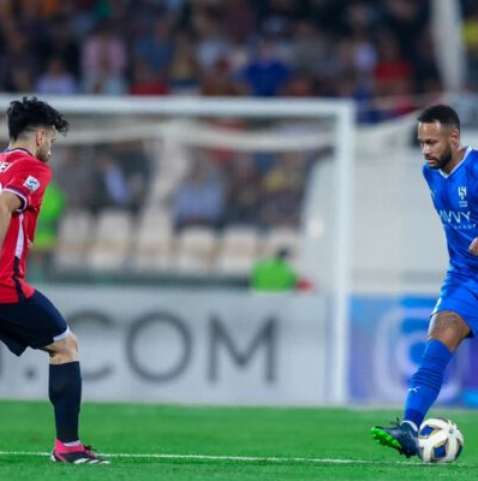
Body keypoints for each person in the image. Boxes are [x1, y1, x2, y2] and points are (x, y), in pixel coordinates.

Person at [0, 97, 108, 464]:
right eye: (53, 142)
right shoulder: (31, 167)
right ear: (41, 136)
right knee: (65, 346)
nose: (52, 149)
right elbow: (4, 204)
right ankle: (68, 447)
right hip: (4, 286)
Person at [371, 104, 477, 457]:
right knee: (436, 344)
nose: (426, 150)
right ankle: (409, 427)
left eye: (432, 142)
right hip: (464, 278)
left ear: (454, 137)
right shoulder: (429, 174)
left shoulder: (476, 168)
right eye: (422, 143)